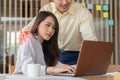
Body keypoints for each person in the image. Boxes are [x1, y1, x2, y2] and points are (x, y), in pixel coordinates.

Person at [19, 0, 97, 65]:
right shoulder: (47, 8)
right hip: (51, 53)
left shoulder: (82, 12)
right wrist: (25, 33)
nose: (64, 2)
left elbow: (89, 38)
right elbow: (33, 25)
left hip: (75, 56)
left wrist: (92, 57)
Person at [14, 11, 75, 75]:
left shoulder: (47, 45)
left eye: (54, 28)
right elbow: (27, 68)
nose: (51, 30)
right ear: (38, 24)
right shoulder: (28, 39)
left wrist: (72, 68)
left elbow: (57, 65)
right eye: (47, 25)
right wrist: (51, 69)